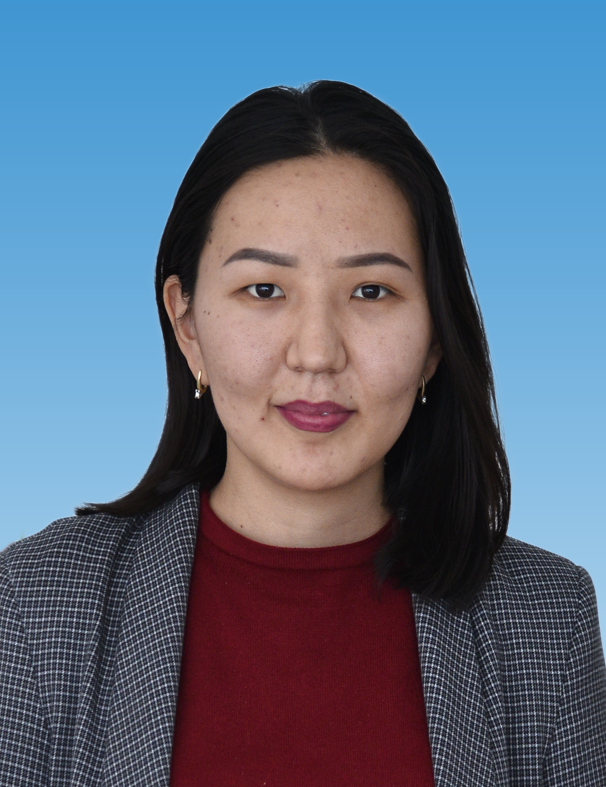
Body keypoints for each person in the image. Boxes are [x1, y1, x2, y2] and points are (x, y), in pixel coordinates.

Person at [1, 81, 604, 787]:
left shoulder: (546, 620)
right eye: (264, 290)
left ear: (435, 339)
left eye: (371, 291)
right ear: (187, 324)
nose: (317, 353)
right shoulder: (36, 607)